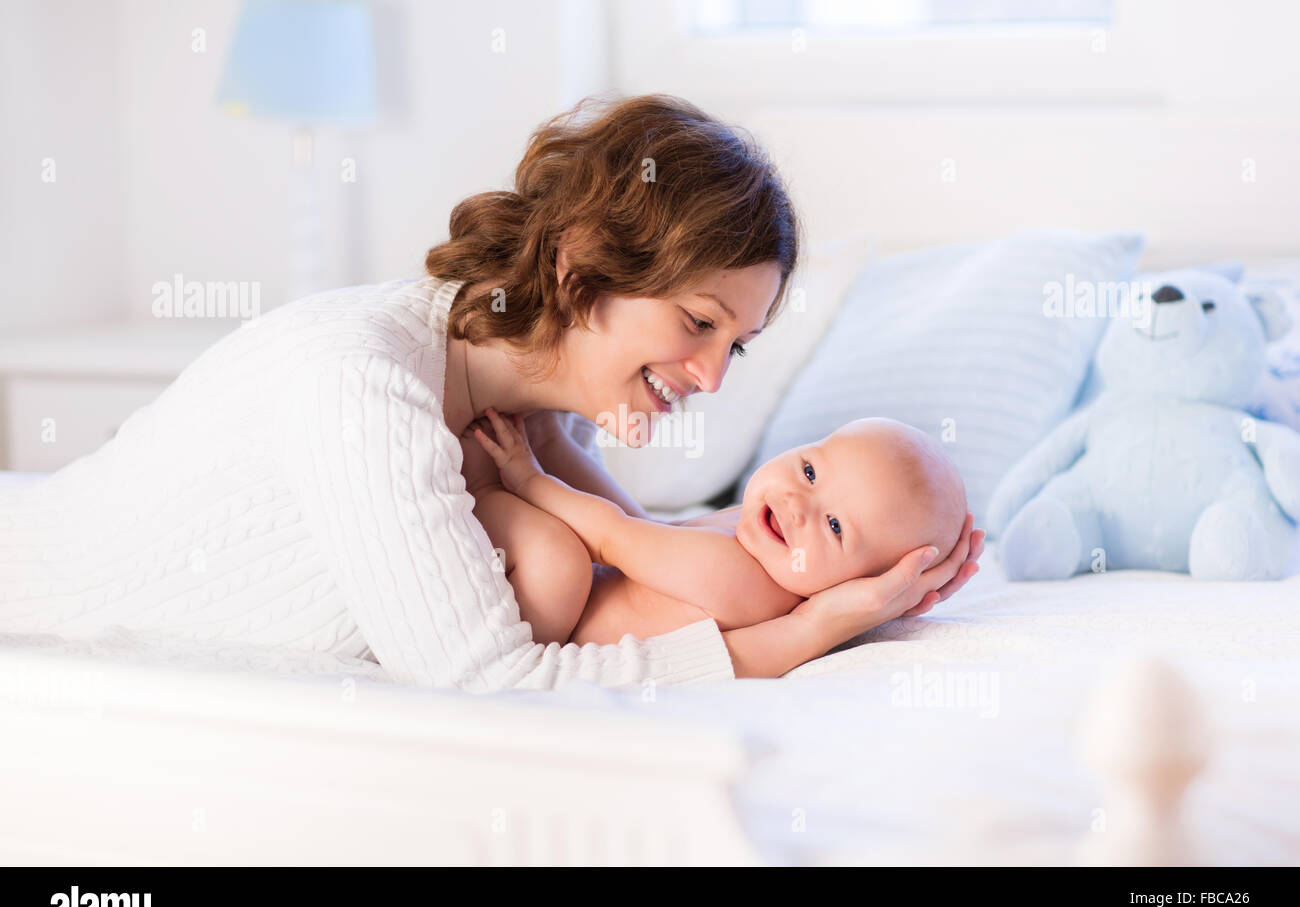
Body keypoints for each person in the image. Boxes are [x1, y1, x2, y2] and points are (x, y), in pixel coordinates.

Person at [0, 93, 982, 689]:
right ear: (581, 264)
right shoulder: (363, 383)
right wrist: (809, 629)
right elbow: (490, 679)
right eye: (697, 322)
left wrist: (850, 577)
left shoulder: (527, 412)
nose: (714, 375)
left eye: (739, 343)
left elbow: (644, 552)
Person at [462, 409, 969, 656]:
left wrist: (530, 478)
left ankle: (469, 494)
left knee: (559, 558)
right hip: (587, 578)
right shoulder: (761, 538)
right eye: (811, 471)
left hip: (550, 618)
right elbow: (642, 526)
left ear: (856, 586)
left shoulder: (743, 577)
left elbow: (611, 535)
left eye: (835, 527)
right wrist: (549, 440)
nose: (796, 506)